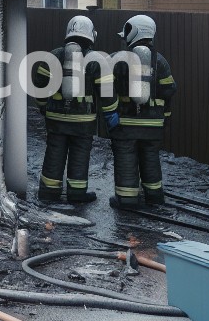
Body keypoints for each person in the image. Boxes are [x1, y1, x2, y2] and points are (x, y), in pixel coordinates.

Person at [103, 14, 175, 210]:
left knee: (126, 159)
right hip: (153, 126)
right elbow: (169, 91)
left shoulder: (119, 59)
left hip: (126, 124)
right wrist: (164, 119)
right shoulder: (161, 61)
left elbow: (105, 87)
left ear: (134, 31)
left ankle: (126, 200)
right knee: (150, 158)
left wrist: (110, 114)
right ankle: (154, 197)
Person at [31, 15, 101, 204]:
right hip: (83, 122)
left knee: (55, 152)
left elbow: (40, 84)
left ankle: (48, 193)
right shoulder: (94, 59)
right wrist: (109, 112)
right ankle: (77, 194)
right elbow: (104, 89)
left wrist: (44, 107)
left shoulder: (54, 55)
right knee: (80, 155)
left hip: (56, 118)